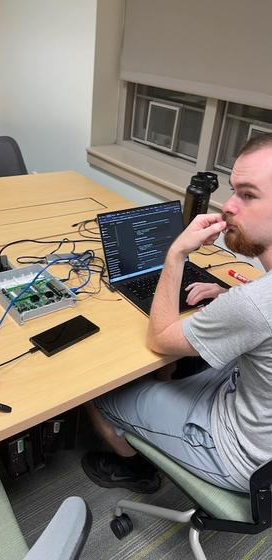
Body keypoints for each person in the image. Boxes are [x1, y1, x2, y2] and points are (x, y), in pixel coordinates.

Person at [81, 133, 272, 494]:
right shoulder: (254, 298)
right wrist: (229, 292)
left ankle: (136, 469)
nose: (228, 206)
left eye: (247, 195)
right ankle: (159, 407)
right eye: (232, 191)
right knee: (182, 368)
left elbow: (161, 338)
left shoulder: (255, 305)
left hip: (244, 457)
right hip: (259, 419)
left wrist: (176, 254)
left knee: (97, 389)